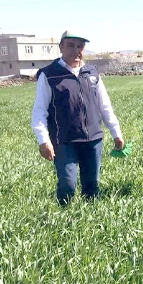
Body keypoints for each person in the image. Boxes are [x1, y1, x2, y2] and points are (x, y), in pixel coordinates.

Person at [31, 30, 125, 205]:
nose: (76, 50)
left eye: (80, 46)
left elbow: (104, 105)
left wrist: (116, 132)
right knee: (68, 185)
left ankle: (91, 221)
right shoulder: (49, 74)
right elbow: (39, 111)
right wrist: (43, 140)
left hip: (93, 139)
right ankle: (65, 220)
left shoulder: (92, 72)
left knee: (92, 185)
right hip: (64, 141)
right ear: (61, 47)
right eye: (71, 45)